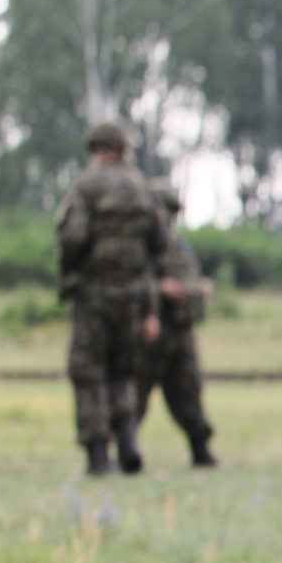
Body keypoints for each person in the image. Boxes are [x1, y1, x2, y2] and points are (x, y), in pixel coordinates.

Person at [54, 121, 165, 477]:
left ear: (96, 149)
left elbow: (73, 237)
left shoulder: (87, 185)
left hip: (94, 295)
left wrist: (71, 270)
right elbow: (159, 243)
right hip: (133, 297)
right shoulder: (143, 188)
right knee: (123, 373)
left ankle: (99, 455)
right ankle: (128, 441)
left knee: (88, 371)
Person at [137, 180, 217, 468]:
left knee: (189, 393)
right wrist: (159, 287)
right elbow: (128, 282)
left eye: (171, 210)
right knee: (135, 394)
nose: (166, 216)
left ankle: (201, 450)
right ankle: (125, 450)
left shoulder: (181, 247)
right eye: (162, 209)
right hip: (150, 329)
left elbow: (190, 278)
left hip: (181, 331)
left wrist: (200, 289)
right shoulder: (139, 247)